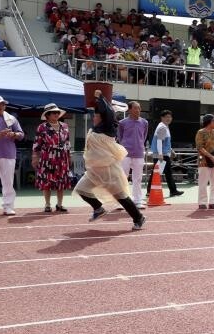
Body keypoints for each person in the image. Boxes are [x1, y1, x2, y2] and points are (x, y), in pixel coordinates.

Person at [74, 91, 146, 230]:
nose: (93, 118)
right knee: (81, 189)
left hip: (108, 169)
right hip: (94, 170)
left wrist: (99, 97)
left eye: (96, 115)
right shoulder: (96, 128)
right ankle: (98, 208)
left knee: (120, 196)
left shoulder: (108, 127)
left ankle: (139, 217)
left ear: (103, 117)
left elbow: (108, 112)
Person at [32, 103, 72, 213]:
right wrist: (35, 157)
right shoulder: (42, 127)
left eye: (57, 112)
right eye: (54, 112)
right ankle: (47, 204)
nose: (56, 114)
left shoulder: (65, 126)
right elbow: (37, 144)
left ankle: (59, 204)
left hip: (62, 157)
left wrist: (69, 155)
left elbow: (67, 142)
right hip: (47, 157)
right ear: (47, 115)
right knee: (47, 181)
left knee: (61, 181)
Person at [0, 95, 24, 215]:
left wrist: (14, 134)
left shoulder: (11, 119)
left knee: (8, 182)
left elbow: (21, 134)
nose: (1, 106)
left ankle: (8, 206)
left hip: (8, 154)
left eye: (3, 104)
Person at [117, 101, 149, 209]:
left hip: (139, 153)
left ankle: (138, 200)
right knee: (123, 178)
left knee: (138, 178)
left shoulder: (144, 122)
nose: (138, 110)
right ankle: (121, 200)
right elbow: (120, 137)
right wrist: (125, 146)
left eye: (139, 108)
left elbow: (144, 137)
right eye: (136, 108)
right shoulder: (122, 123)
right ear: (129, 110)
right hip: (125, 154)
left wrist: (139, 145)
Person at [146, 110, 183, 198]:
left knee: (165, 173)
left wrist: (171, 150)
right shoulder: (162, 127)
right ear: (162, 118)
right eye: (166, 117)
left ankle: (173, 190)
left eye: (170, 117)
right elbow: (159, 141)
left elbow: (165, 142)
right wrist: (160, 154)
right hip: (162, 155)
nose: (168, 119)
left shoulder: (164, 127)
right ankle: (150, 191)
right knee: (158, 173)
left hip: (163, 154)